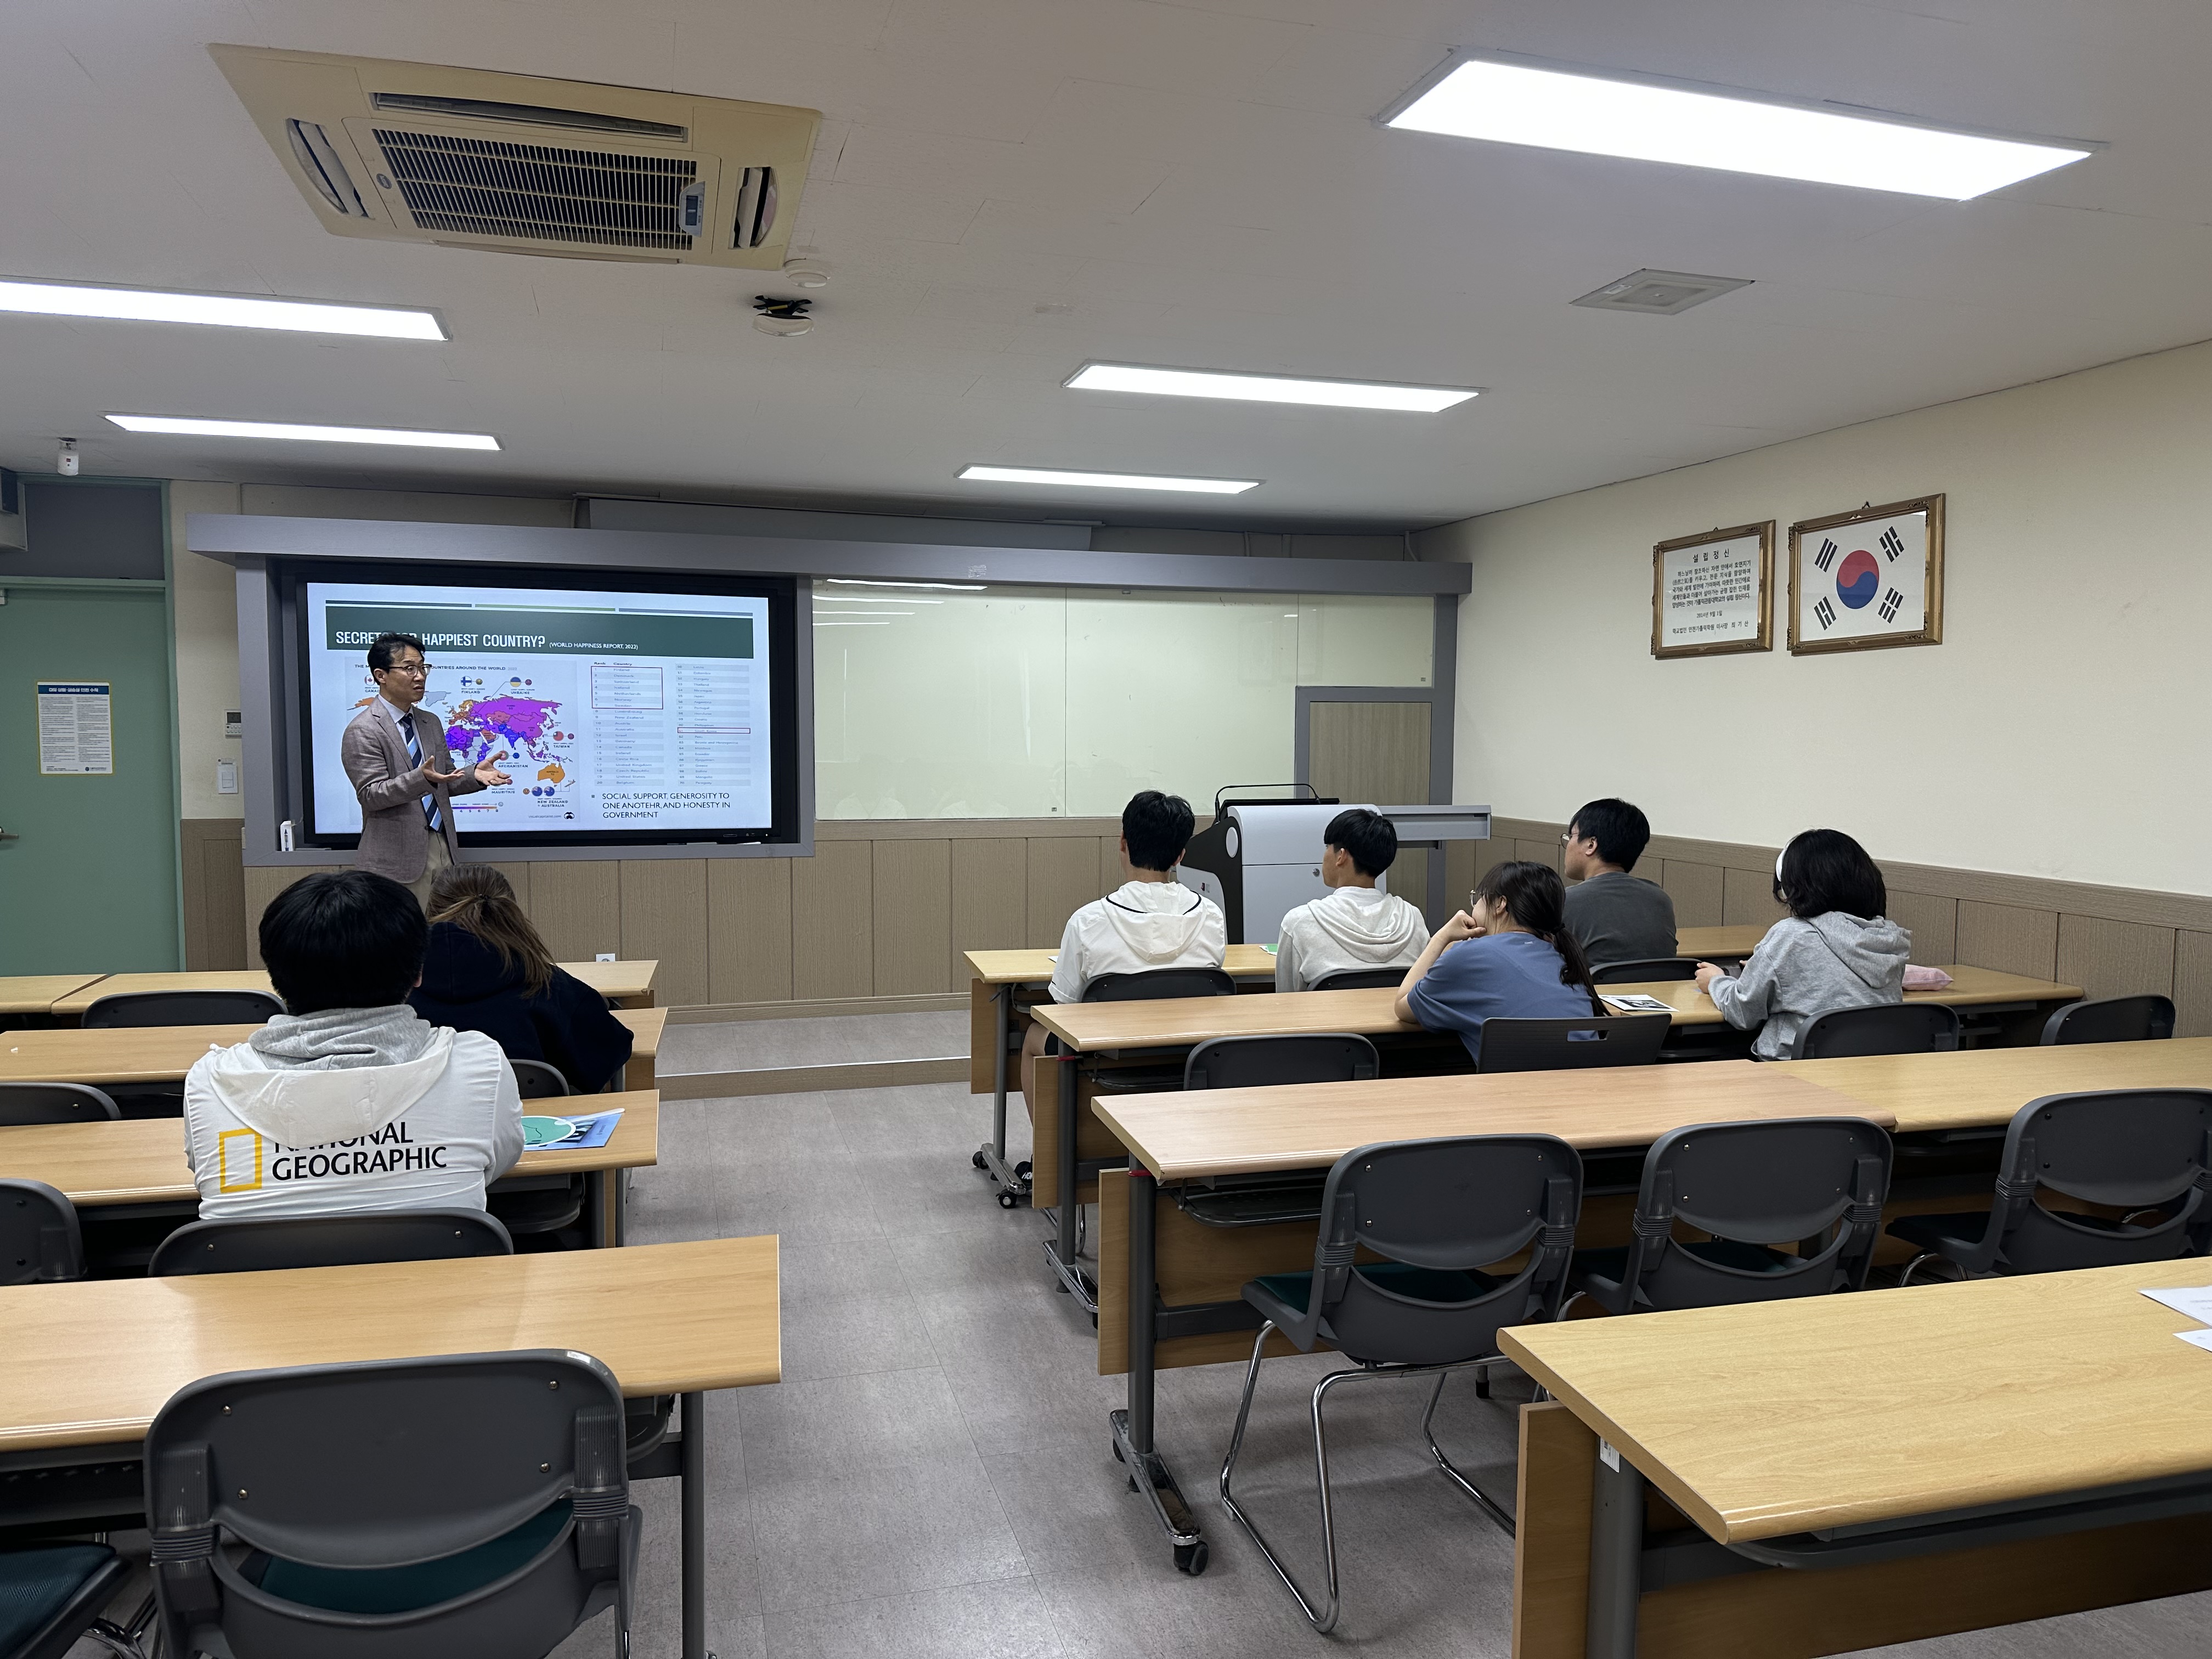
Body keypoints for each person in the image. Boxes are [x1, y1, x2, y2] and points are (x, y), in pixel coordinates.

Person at [182, 869, 523, 1222]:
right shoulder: (477, 1066)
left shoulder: (212, 1082)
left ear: (275, 974)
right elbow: (495, 1164)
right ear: (419, 972)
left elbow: (205, 1178)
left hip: (255, 1277)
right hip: (441, 1274)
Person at [1019, 790, 1226, 1109]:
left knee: (1035, 1033)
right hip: (1189, 1053)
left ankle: (1048, 1157)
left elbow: (1065, 1007)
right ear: (1180, 856)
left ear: (1122, 843)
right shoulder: (1211, 916)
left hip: (1105, 1056)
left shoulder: (1088, 921)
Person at [410, 864, 635, 1093]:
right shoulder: (548, 986)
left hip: (418, 1128)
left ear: (430, 912)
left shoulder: (394, 992)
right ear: (510, 911)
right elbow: (610, 1051)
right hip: (533, 1126)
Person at [1694, 830, 1909, 1059]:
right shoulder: (1887, 937)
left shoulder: (1791, 935)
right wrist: (1769, 970)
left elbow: (1743, 1013)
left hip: (1795, 1077)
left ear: (1790, 888)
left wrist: (1717, 982)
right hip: (1872, 1077)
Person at [341, 631, 511, 909]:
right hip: (397, 860)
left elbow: (443, 781)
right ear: (381, 675)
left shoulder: (429, 722)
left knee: (447, 938)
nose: (420, 676)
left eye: (423, 668)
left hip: (444, 848)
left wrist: (474, 776)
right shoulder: (363, 729)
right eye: (409, 668)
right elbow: (371, 795)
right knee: (405, 945)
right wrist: (420, 778)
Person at [1395, 860, 1601, 1060]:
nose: (1474, 907)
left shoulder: (1470, 955)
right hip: (1584, 1086)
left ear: (1500, 904)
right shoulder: (1563, 956)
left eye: (1479, 898)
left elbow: (1403, 1006)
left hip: (1517, 1090)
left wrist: (1441, 937)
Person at [1274, 808, 1431, 992]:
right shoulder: (1412, 919)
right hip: (1397, 1021)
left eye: (1327, 848)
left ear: (1341, 856)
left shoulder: (1300, 922)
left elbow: (1286, 1001)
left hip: (1327, 1021)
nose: (1324, 855)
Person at [1560, 797, 1677, 968]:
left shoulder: (1565, 901)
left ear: (1591, 845)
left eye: (1571, 836)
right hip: (1660, 995)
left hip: (1591, 995)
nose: (1568, 844)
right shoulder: (1660, 899)